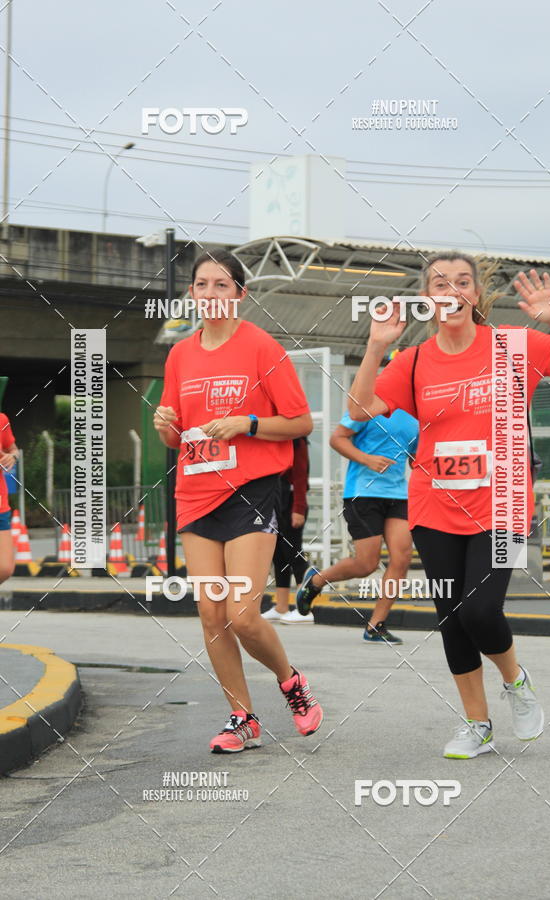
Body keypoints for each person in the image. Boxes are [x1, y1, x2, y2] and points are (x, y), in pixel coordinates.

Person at [348, 251, 550, 758]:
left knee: (481, 610)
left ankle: (515, 680)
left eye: (463, 282)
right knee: (451, 614)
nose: (453, 290)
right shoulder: (414, 361)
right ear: (428, 299)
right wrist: (377, 348)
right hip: (432, 507)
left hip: (504, 503)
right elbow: (358, 410)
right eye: (441, 283)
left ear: (476, 295)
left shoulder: (512, 345)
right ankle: (477, 724)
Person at [154, 250, 323, 753]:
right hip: (196, 492)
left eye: (222, 285)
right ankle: (242, 718)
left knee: (243, 613)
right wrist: (165, 428)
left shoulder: (261, 348)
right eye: (202, 285)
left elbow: (300, 423)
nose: (211, 294)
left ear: (240, 295)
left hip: (250, 490)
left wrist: (247, 423)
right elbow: (175, 435)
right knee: (211, 614)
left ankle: (292, 683)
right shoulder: (180, 355)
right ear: (192, 294)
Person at [296, 391, 418, 644]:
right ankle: (317, 580)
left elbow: (417, 458)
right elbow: (337, 438)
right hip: (363, 492)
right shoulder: (369, 407)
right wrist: (367, 459)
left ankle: (376, 625)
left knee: (402, 557)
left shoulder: (417, 417)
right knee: (367, 564)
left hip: (398, 494)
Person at [262, 437, 313, 624]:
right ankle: (281, 606)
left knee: (294, 552)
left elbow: (300, 474)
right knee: (278, 554)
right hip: (276, 498)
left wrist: (298, 508)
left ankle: (305, 609)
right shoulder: (274, 440)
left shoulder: (297, 440)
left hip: (292, 500)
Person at [0, 412, 18, 585]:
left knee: (4, 568)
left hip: (0, 504)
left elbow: (13, 449)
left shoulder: (2, 420)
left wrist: (12, 456)